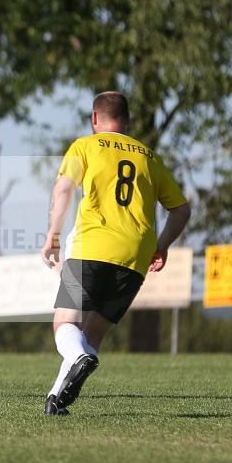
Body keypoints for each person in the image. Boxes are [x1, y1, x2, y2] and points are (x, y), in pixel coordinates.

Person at [40, 91, 191, 416]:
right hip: (135, 257)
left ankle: (79, 359)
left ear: (96, 118)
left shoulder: (85, 146)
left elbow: (63, 188)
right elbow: (180, 210)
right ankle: (56, 399)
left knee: (64, 323)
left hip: (92, 248)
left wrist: (52, 234)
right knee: (93, 332)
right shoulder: (149, 157)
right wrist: (161, 245)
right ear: (127, 119)